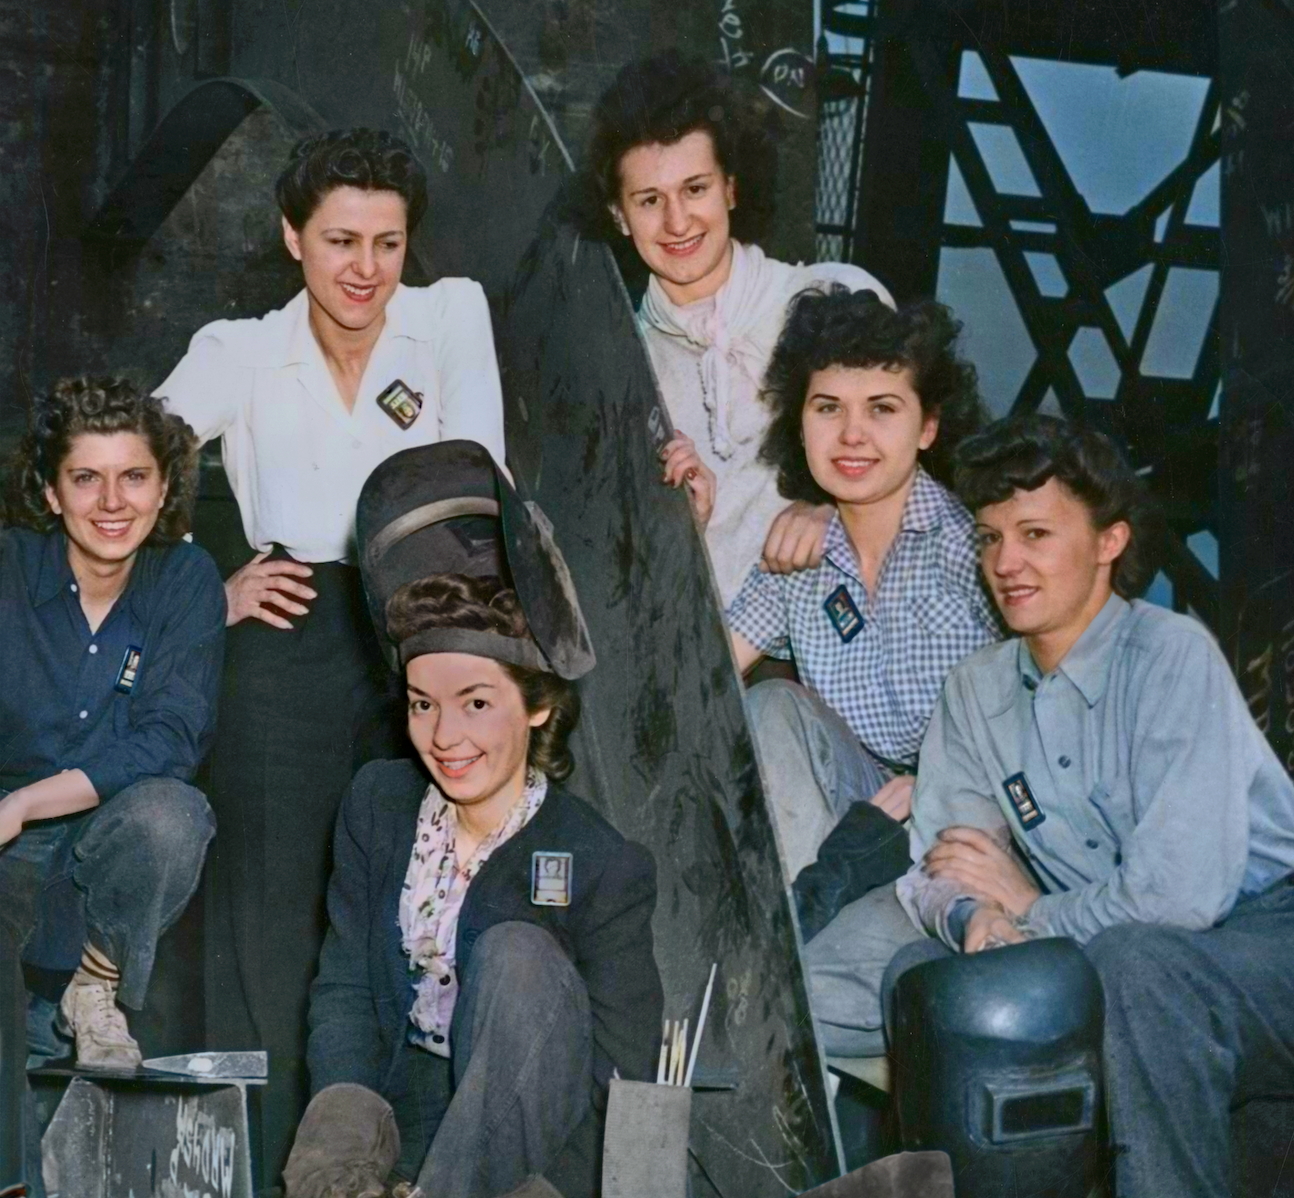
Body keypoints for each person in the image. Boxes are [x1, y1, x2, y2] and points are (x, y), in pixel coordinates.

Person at [154, 127, 508, 1180]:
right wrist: (201, 593)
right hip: (290, 628)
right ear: (291, 237)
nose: (364, 269)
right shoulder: (241, 349)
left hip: (421, 622)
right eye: (340, 240)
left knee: (408, 898)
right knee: (269, 909)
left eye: (388, 243)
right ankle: (267, 1169)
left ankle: (386, 1160)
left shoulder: (449, 318)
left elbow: (480, 472)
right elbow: (127, 462)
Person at [858, 416, 1293, 1193]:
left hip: (1266, 938)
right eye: (989, 538)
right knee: (924, 976)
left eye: (1034, 534)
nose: (1006, 563)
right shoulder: (975, 688)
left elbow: (1177, 898)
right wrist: (974, 922)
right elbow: (940, 866)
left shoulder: (1168, 655)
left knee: (1139, 969)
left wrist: (1026, 907)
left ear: (1109, 542)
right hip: (1116, 937)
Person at [283, 440, 662, 1198]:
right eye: (424, 704)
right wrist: (344, 1134)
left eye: (477, 703)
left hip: (532, 1149)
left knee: (518, 955)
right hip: (409, 1112)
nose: (444, 736)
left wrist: (551, 1186)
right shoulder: (378, 805)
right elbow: (347, 991)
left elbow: (623, 1072)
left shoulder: (600, 861)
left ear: (540, 704)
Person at [0, 378, 224, 1198]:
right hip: (6, 859)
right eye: (85, 478)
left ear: (164, 488)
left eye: (133, 476)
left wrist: (25, 802)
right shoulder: (8, 569)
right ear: (51, 492)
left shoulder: (187, 579)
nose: (111, 502)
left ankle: (95, 988)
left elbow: (173, 737)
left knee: (173, 814)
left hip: (99, 848)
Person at [723, 289, 1000, 938]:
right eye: (828, 408)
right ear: (801, 421)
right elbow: (708, 674)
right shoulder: (797, 553)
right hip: (844, 809)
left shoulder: (974, 551)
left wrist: (929, 783)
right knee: (772, 706)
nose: (852, 434)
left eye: (882, 409)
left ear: (927, 426)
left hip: (958, 813)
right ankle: (781, 938)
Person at [582, 49, 894, 605]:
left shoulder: (835, 297)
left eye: (695, 189)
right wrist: (682, 525)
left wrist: (833, 506)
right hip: (713, 663)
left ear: (730, 187)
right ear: (618, 217)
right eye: (650, 200)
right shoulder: (622, 365)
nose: (678, 222)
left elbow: (921, 480)